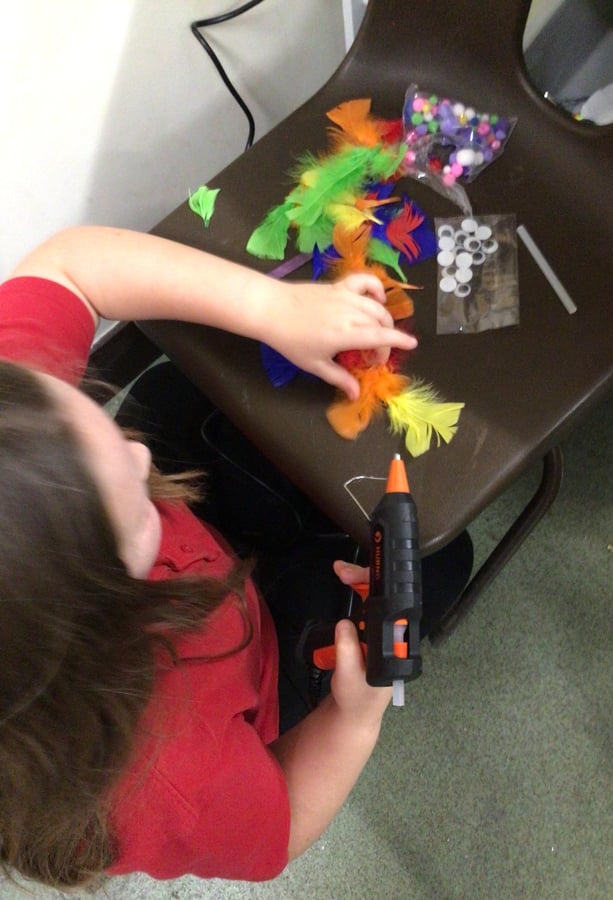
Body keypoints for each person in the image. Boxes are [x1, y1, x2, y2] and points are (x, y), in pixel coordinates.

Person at [0, 226, 471, 889]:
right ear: (91, 619)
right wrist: (353, 718)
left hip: (201, 570)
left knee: (171, 393)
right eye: (129, 501)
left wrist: (269, 307)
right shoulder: (168, 779)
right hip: (261, 665)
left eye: (90, 419)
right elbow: (282, 828)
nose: (136, 456)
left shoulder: (11, 434)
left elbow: (70, 267)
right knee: (443, 557)